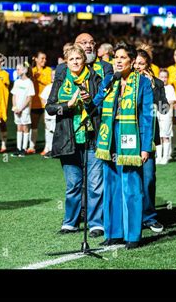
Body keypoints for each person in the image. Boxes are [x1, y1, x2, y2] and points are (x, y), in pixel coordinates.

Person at [46, 44, 111, 237]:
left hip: (92, 137)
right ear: (66, 62)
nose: (75, 62)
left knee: (94, 184)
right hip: (68, 138)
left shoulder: (96, 78)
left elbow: (102, 108)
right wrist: (68, 105)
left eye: (78, 59)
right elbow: (50, 108)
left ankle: (96, 223)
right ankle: (70, 222)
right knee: (73, 184)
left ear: (85, 60)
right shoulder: (60, 80)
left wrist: (90, 100)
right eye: (71, 59)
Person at [95, 42, 154, 250]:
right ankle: (113, 232)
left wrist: (146, 146)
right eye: (115, 58)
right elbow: (95, 104)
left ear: (131, 60)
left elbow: (148, 116)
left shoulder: (143, 83)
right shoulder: (110, 80)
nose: (118, 61)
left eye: (122, 57)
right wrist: (95, 94)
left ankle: (133, 235)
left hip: (130, 135)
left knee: (131, 185)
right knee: (111, 184)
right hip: (109, 134)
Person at [134, 47, 166, 233]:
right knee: (130, 177)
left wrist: (153, 87)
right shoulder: (126, 82)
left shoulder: (157, 84)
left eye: (141, 63)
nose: (138, 66)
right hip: (128, 135)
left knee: (148, 178)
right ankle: (132, 216)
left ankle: (149, 217)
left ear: (148, 66)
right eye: (135, 63)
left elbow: (163, 109)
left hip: (148, 136)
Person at [29, 51, 52, 154]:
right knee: (33, 124)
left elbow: (49, 82)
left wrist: (39, 77)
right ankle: (31, 146)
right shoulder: (32, 71)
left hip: (46, 102)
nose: (44, 60)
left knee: (47, 125)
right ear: (36, 59)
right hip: (35, 101)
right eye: (42, 58)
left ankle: (47, 148)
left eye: (45, 58)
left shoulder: (48, 70)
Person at [11, 63, 35, 157]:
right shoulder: (17, 82)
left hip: (24, 110)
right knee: (19, 127)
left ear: (24, 70)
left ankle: (24, 149)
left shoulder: (29, 82)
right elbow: (14, 95)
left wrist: (21, 108)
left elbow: (29, 98)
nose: (17, 71)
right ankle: (18, 148)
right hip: (17, 109)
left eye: (19, 69)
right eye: (16, 69)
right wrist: (15, 107)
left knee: (25, 128)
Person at [156, 69, 176, 165]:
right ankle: (159, 156)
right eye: (161, 77)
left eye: (165, 77)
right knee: (158, 135)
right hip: (156, 113)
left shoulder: (170, 88)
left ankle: (165, 157)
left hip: (166, 113)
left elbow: (172, 101)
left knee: (165, 135)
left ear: (167, 78)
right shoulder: (156, 87)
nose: (163, 79)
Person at [0, 53, 11, 153]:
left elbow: (6, 84)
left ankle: (3, 144)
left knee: (2, 123)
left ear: (2, 62)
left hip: (2, 102)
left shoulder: (5, 74)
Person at [40, 70, 56, 159]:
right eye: (52, 75)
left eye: (55, 75)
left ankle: (53, 150)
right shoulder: (48, 87)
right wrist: (47, 109)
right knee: (48, 131)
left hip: (56, 114)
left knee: (54, 131)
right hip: (48, 114)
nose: (53, 76)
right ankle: (47, 148)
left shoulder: (60, 87)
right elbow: (43, 99)